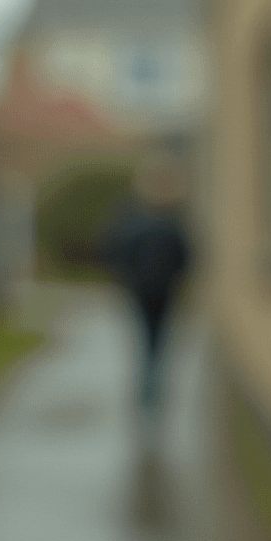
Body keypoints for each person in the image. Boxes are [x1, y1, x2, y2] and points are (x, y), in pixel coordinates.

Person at [101, 151, 191, 444]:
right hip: (142, 294)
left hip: (163, 294)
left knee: (157, 342)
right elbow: (117, 254)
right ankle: (148, 394)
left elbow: (186, 257)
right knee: (148, 342)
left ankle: (152, 394)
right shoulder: (136, 221)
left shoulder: (168, 221)